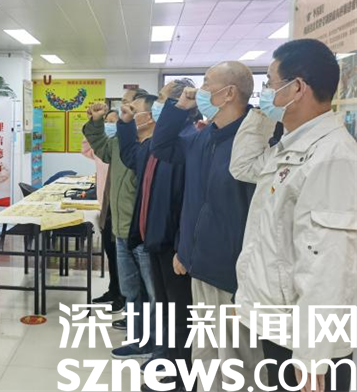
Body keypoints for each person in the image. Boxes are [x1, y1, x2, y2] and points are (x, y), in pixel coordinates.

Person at [230, 39, 357, 392]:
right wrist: (262, 115)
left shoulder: (333, 157)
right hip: (281, 327)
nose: (266, 92)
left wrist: (313, 355)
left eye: (271, 84)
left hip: (306, 342)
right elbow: (242, 166)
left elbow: (328, 263)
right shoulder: (291, 147)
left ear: (297, 87)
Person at [151, 62, 263, 392]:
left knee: (236, 365)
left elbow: (256, 218)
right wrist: (184, 249)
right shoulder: (204, 138)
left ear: (228, 93)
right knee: (204, 356)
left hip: (232, 276)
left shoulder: (252, 143)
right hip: (198, 267)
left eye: (206, 84)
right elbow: (162, 148)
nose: (198, 91)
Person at [117, 81, 199, 392]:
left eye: (163, 100)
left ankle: (182, 379)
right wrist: (125, 125)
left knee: (180, 317)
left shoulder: (187, 142)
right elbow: (129, 156)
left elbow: (189, 202)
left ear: (180, 106)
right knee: (166, 311)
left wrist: (181, 247)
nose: (157, 106)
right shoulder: (156, 145)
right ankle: (170, 369)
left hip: (173, 246)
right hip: (153, 240)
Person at [83, 87, 144, 332]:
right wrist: (96, 123)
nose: (122, 109)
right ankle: (133, 322)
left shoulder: (148, 143)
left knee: (144, 283)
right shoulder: (119, 142)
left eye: (128, 104)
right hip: (116, 217)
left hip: (137, 224)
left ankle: (145, 330)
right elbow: (100, 147)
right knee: (129, 282)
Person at [82, 109, 126, 313]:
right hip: (104, 206)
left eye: (113, 121)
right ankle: (113, 289)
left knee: (119, 255)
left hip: (117, 206)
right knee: (110, 251)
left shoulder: (120, 147)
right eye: (106, 121)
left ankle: (122, 295)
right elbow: (86, 148)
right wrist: (94, 121)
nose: (109, 124)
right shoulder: (104, 149)